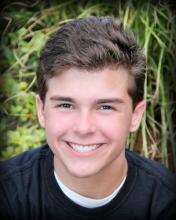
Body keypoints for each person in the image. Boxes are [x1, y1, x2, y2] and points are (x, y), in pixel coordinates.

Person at [0, 16, 176, 220]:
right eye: (66, 105)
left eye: (105, 107)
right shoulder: (7, 193)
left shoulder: (167, 201)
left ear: (135, 115)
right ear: (42, 111)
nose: (83, 128)